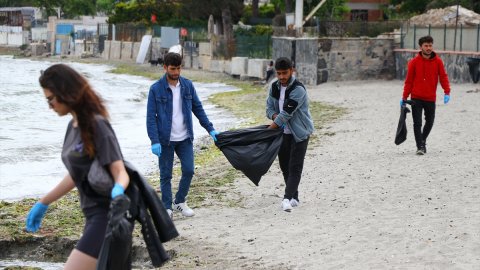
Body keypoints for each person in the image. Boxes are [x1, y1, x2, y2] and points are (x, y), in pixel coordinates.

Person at [25, 64, 130, 269]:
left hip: (106, 214)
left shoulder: (97, 124)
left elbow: (120, 171)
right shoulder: (74, 126)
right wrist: (44, 202)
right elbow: (77, 174)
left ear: (66, 92)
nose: (50, 106)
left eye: (51, 99)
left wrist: (118, 191)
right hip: (91, 215)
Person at [147, 52, 219, 218]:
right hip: (165, 140)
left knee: (189, 170)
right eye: (173, 69)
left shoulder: (187, 86)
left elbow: (198, 109)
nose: (176, 72)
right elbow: (151, 118)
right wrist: (154, 141)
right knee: (166, 175)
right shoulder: (155, 89)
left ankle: (179, 201)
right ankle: (167, 207)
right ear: (165, 68)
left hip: (185, 138)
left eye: (179, 68)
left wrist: (211, 129)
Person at [266, 57, 314, 212]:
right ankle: (295, 197)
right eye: (278, 73)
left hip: (300, 133)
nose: (281, 77)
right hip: (283, 133)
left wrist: (268, 131)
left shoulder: (298, 89)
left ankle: (286, 198)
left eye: (284, 73)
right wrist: (275, 118)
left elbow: (286, 114)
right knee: (285, 166)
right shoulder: (274, 87)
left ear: (292, 71)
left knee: (295, 167)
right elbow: (269, 110)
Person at [401, 35, 451, 155]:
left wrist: (447, 91)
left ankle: (422, 140)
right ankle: (420, 147)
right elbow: (409, 81)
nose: (428, 48)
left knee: (430, 121)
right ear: (421, 47)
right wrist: (404, 97)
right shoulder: (413, 62)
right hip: (416, 97)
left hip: (430, 97)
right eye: (426, 46)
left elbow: (443, 77)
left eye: (430, 45)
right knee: (417, 123)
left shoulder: (438, 61)